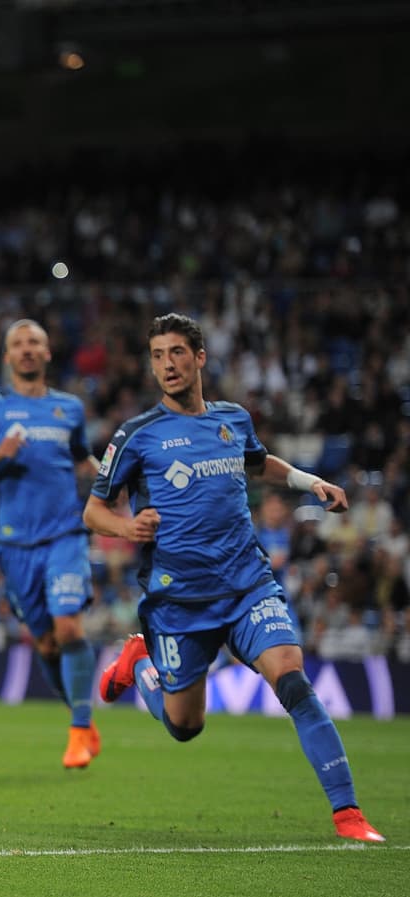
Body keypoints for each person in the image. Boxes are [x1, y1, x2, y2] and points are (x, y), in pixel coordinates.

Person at [84, 313, 384, 843]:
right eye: (157, 356)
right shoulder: (137, 435)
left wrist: (309, 481)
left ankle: (348, 814)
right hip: (181, 601)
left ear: (199, 358)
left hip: (247, 584)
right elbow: (94, 511)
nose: (167, 365)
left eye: (177, 352)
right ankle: (142, 664)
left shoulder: (232, 419)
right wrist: (128, 527)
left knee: (292, 680)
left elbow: (258, 461)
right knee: (185, 726)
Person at [0, 319, 102, 769]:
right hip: (16, 544)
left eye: (34, 342)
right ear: (8, 356)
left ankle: (78, 729)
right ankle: (80, 719)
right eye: (18, 344)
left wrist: (110, 482)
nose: (27, 350)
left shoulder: (69, 409)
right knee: (47, 644)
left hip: (64, 535)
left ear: (48, 352)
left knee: (69, 627)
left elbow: (82, 458)